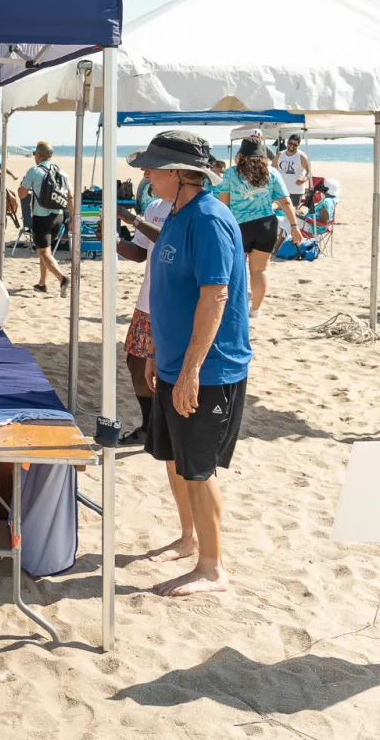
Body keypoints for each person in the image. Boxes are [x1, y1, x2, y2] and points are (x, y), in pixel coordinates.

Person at [128, 131, 249, 598]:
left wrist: (193, 367)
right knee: (175, 461)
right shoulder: (176, 213)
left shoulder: (209, 219)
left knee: (199, 469)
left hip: (211, 368)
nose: (146, 173)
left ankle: (213, 568)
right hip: (175, 359)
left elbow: (215, 295)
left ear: (180, 174)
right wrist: (161, 351)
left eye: (154, 167)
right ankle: (188, 538)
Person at [216, 136, 298, 318]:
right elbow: (285, 201)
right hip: (266, 225)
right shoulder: (272, 172)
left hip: (239, 226)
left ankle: (237, 308)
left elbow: (223, 204)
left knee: (236, 268)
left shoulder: (231, 173)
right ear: (262, 154)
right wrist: (294, 225)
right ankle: (255, 311)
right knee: (260, 270)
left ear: (241, 154)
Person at [115, 188, 172, 446]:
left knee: (167, 369)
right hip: (147, 301)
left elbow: (172, 242)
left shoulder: (193, 208)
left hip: (174, 305)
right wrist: (113, 241)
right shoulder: (155, 207)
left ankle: (167, 431)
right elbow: (140, 253)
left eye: (152, 169)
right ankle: (149, 427)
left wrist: (134, 220)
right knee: (136, 364)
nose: (146, 175)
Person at [19, 141, 69, 295]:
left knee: (43, 252)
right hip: (59, 215)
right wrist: (72, 219)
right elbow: (71, 197)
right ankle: (42, 283)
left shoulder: (34, 171)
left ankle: (62, 279)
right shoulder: (61, 173)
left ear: (38, 155)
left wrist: (21, 187)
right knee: (46, 250)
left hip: (42, 217)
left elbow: (22, 194)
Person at [274, 134, 312, 207]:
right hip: (281, 189)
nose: (292, 146)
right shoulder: (279, 154)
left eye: (295, 145)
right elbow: (272, 170)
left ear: (298, 145)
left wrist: (303, 180)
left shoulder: (301, 156)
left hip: (296, 190)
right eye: (290, 143)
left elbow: (309, 172)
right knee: (279, 213)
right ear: (287, 142)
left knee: (293, 213)